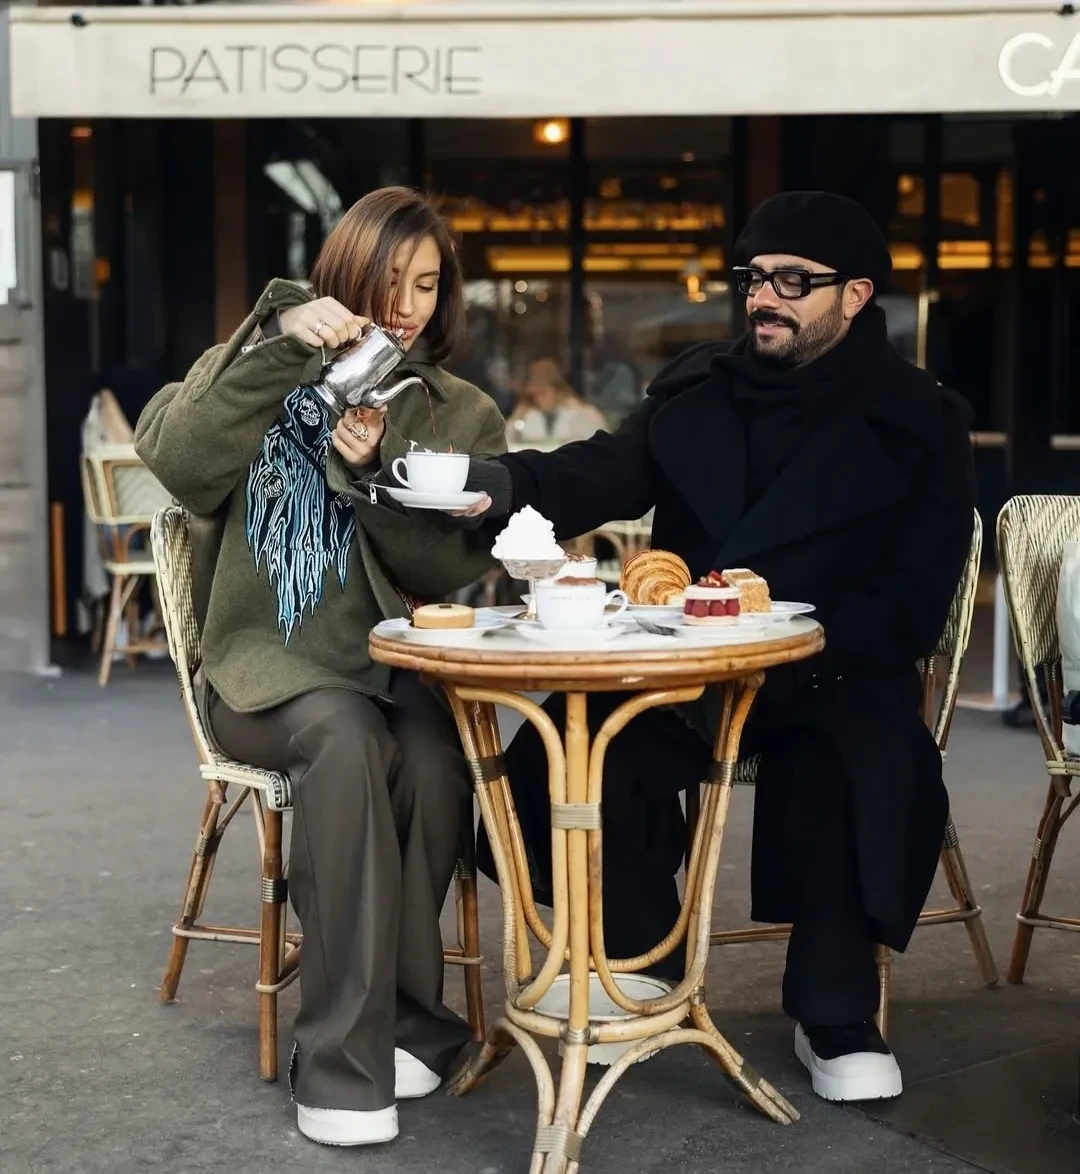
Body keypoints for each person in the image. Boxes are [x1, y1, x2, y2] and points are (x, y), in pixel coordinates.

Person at [461, 191, 976, 1103]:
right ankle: (637, 956)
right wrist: (496, 484)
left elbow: (914, 599)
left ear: (856, 295)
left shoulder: (921, 419)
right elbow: (601, 471)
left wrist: (801, 636)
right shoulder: (700, 389)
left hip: (834, 666)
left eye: (792, 282)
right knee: (582, 741)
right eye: (754, 278)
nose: (763, 298)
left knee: (859, 759)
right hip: (692, 664)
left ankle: (835, 1012)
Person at [134, 187, 506, 1147]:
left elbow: (447, 570)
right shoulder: (260, 362)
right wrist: (279, 341)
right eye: (390, 279)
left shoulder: (458, 411)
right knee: (345, 740)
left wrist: (375, 476)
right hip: (263, 674)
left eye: (428, 283)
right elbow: (179, 459)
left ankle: (410, 1018)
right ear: (344, 273)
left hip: (389, 669)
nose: (408, 304)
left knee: (435, 756)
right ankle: (341, 1061)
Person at [505, 357, 607, 446]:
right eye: (534, 395)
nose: (538, 399)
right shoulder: (526, 413)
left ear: (558, 390)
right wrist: (517, 417)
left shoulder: (587, 414)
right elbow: (505, 443)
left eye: (542, 393)